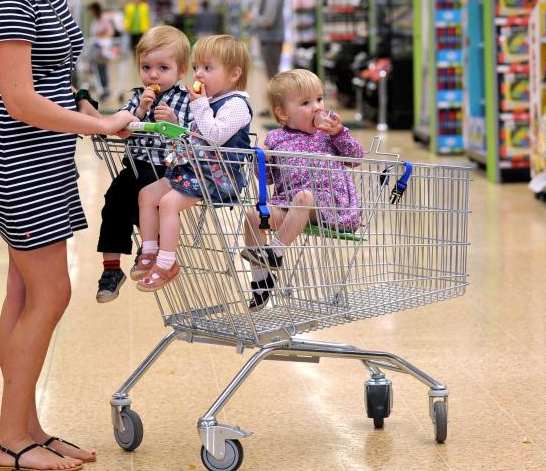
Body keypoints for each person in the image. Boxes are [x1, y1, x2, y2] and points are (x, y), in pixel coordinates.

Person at [0, 0, 137, 471]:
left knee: (23, 293)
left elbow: (55, 77)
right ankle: (9, 437)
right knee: (51, 291)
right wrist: (101, 127)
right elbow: (19, 101)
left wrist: (92, 108)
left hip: (46, 156)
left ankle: (28, 426)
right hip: (16, 158)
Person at [132, 35, 253, 292]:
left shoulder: (237, 105)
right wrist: (177, 124)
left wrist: (199, 105)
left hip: (217, 177)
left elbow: (214, 136)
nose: (199, 74)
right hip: (192, 170)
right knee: (146, 195)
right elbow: (193, 134)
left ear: (234, 74)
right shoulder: (208, 101)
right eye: (197, 67)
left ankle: (167, 263)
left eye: (207, 68)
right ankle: (150, 251)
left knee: (167, 203)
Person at [240, 69, 364, 310]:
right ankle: (261, 281)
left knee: (305, 196)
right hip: (292, 205)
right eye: (306, 103)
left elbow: (355, 157)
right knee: (254, 217)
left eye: (319, 99)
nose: (317, 107)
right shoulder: (275, 138)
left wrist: (339, 132)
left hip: (331, 206)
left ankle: (275, 252)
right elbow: (266, 179)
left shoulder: (328, 135)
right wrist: (262, 158)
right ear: (283, 113)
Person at [95, 25, 192, 303]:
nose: (153, 74)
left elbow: (195, 135)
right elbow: (120, 120)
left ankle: (151, 249)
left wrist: (174, 123)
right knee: (113, 203)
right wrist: (137, 113)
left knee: (149, 199)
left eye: (163, 68)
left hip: (166, 169)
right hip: (135, 165)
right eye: (146, 67)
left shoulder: (186, 100)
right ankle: (111, 270)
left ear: (181, 71)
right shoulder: (138, 96)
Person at [250, 0, 286, 82]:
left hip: (272, 39)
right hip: (270, 38)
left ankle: (276, 95)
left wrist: (254, 18)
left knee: (272, 70)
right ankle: (275, 94)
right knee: (272, 69)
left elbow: (268, 20)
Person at [85, 1, 115, 101]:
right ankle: (101, 90)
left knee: (102, 69)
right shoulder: (96, 20)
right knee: (96, 70)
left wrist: (100, 35)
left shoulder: (103, 19)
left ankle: (104, 91)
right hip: (96, 48)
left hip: (102, 49)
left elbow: (110, 32)